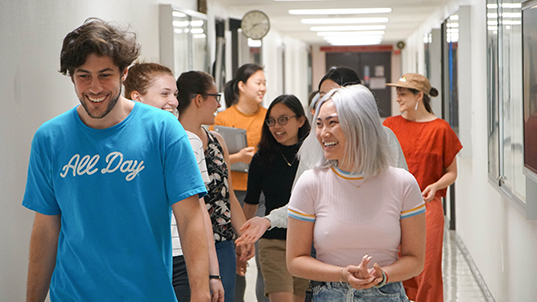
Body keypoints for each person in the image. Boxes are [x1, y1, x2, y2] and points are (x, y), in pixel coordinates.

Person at [22, 18, 210, 302]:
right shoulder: (50, 138)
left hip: (148, 294)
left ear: (124, 74)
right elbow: (46, 228)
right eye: (83, 75)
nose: (94, 87)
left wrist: (201, 293)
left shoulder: (162, 130)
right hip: (72, 295)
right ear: (72, 76)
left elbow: (190, 218)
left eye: (105, 75)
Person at [235, 66, 407, 246]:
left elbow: (402, 197)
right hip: (328, 244)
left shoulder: (384, 138)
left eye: (332, 95)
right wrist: (268, 220)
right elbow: (299, 203)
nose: (325, 102)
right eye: (321, 96)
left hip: (378, 243)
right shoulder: (313, 143)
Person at [286, 84, 426, 301]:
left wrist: (382, 275)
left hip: (386, 295)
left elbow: (415, 260)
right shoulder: (311, 183)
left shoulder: (403, 183)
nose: (323, 133)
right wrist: (342, 274)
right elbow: (295, 260)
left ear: (359, 125)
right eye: (320, 124)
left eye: (333, 122)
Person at [123, 62, 224, 302]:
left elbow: (200, 211)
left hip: (182, 257)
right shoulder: (119, 148)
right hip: (140, 257)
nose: (174, 102)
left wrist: (213, 272)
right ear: (136, 97)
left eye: (175, 94)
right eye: (165, 94)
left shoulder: (189, 142)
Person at [383, 73, 463, 302]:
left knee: (427, 270)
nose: (397, 97)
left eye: (403, 93)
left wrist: (435, 186)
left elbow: (452, 173)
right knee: (396, 267)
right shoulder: (390, 126)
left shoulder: (441, 129)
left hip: (428, 207)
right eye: (396, 92)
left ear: (419, 95)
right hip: (393, 208)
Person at [176, 70, 255, 302]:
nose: (219, 104)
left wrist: (243, 237)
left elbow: (227, 194)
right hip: (188, 244)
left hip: (222, 243)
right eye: (215, 97)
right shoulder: (174, 141)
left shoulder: (217, 141)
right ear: (199, 99)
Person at [242, 95, 310, 302]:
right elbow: (251, 203)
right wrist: (244, 241)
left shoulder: (313, 155)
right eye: (271, 121)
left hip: (306, 243)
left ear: (300, 121)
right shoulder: (262, 158)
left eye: (283, 119)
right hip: (273, 242)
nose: (276, 126)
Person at [212, 63, 269, 302]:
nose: (263, 88)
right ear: (242, 86)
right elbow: (215, 158)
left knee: (262, 253)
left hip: (262, 194)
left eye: (265, 83)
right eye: (258, 83)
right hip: (233, 194)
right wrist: (239, 158)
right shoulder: (224, 118)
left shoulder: (268, 117)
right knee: (237, 254)